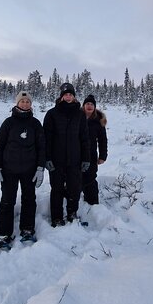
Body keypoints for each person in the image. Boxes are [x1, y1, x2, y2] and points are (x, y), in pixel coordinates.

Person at [0, 91, 45, 248]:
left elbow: (42, 147)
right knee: (7, 201)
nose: (25, 104)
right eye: (22, 101)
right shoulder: (8, 123)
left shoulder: (35, 124)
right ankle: (3, 234)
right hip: (9, 170)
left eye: (28, 101)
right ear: (17, 103)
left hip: (30, 170)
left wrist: (40, 167)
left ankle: (27, 230)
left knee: (29, 200)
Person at [43, 83, 90, 226]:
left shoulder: (80, 114)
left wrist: (86, 158)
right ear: (61, 96)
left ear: (74, 96)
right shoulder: (52, 114)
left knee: (74, 187)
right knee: (56, 188)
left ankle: (72, 213)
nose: (68, 97)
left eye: (70, 94)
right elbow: (46, 138)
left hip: (75, 159)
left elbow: (84, 138)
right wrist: (47, 158)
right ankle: (56, 217)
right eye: (66, 94)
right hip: (57, 159)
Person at [80, 94, 107, 205]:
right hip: (77, 153)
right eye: (87, 104)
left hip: (91, 154)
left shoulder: (98, 121)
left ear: (94, 107)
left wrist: (102, 156)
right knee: (75, 178)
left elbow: (102, 140)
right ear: (84, 105)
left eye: (92, 104)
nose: (89, 106)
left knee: (90, 178)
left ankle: (93, 203)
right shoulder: (77, 118)